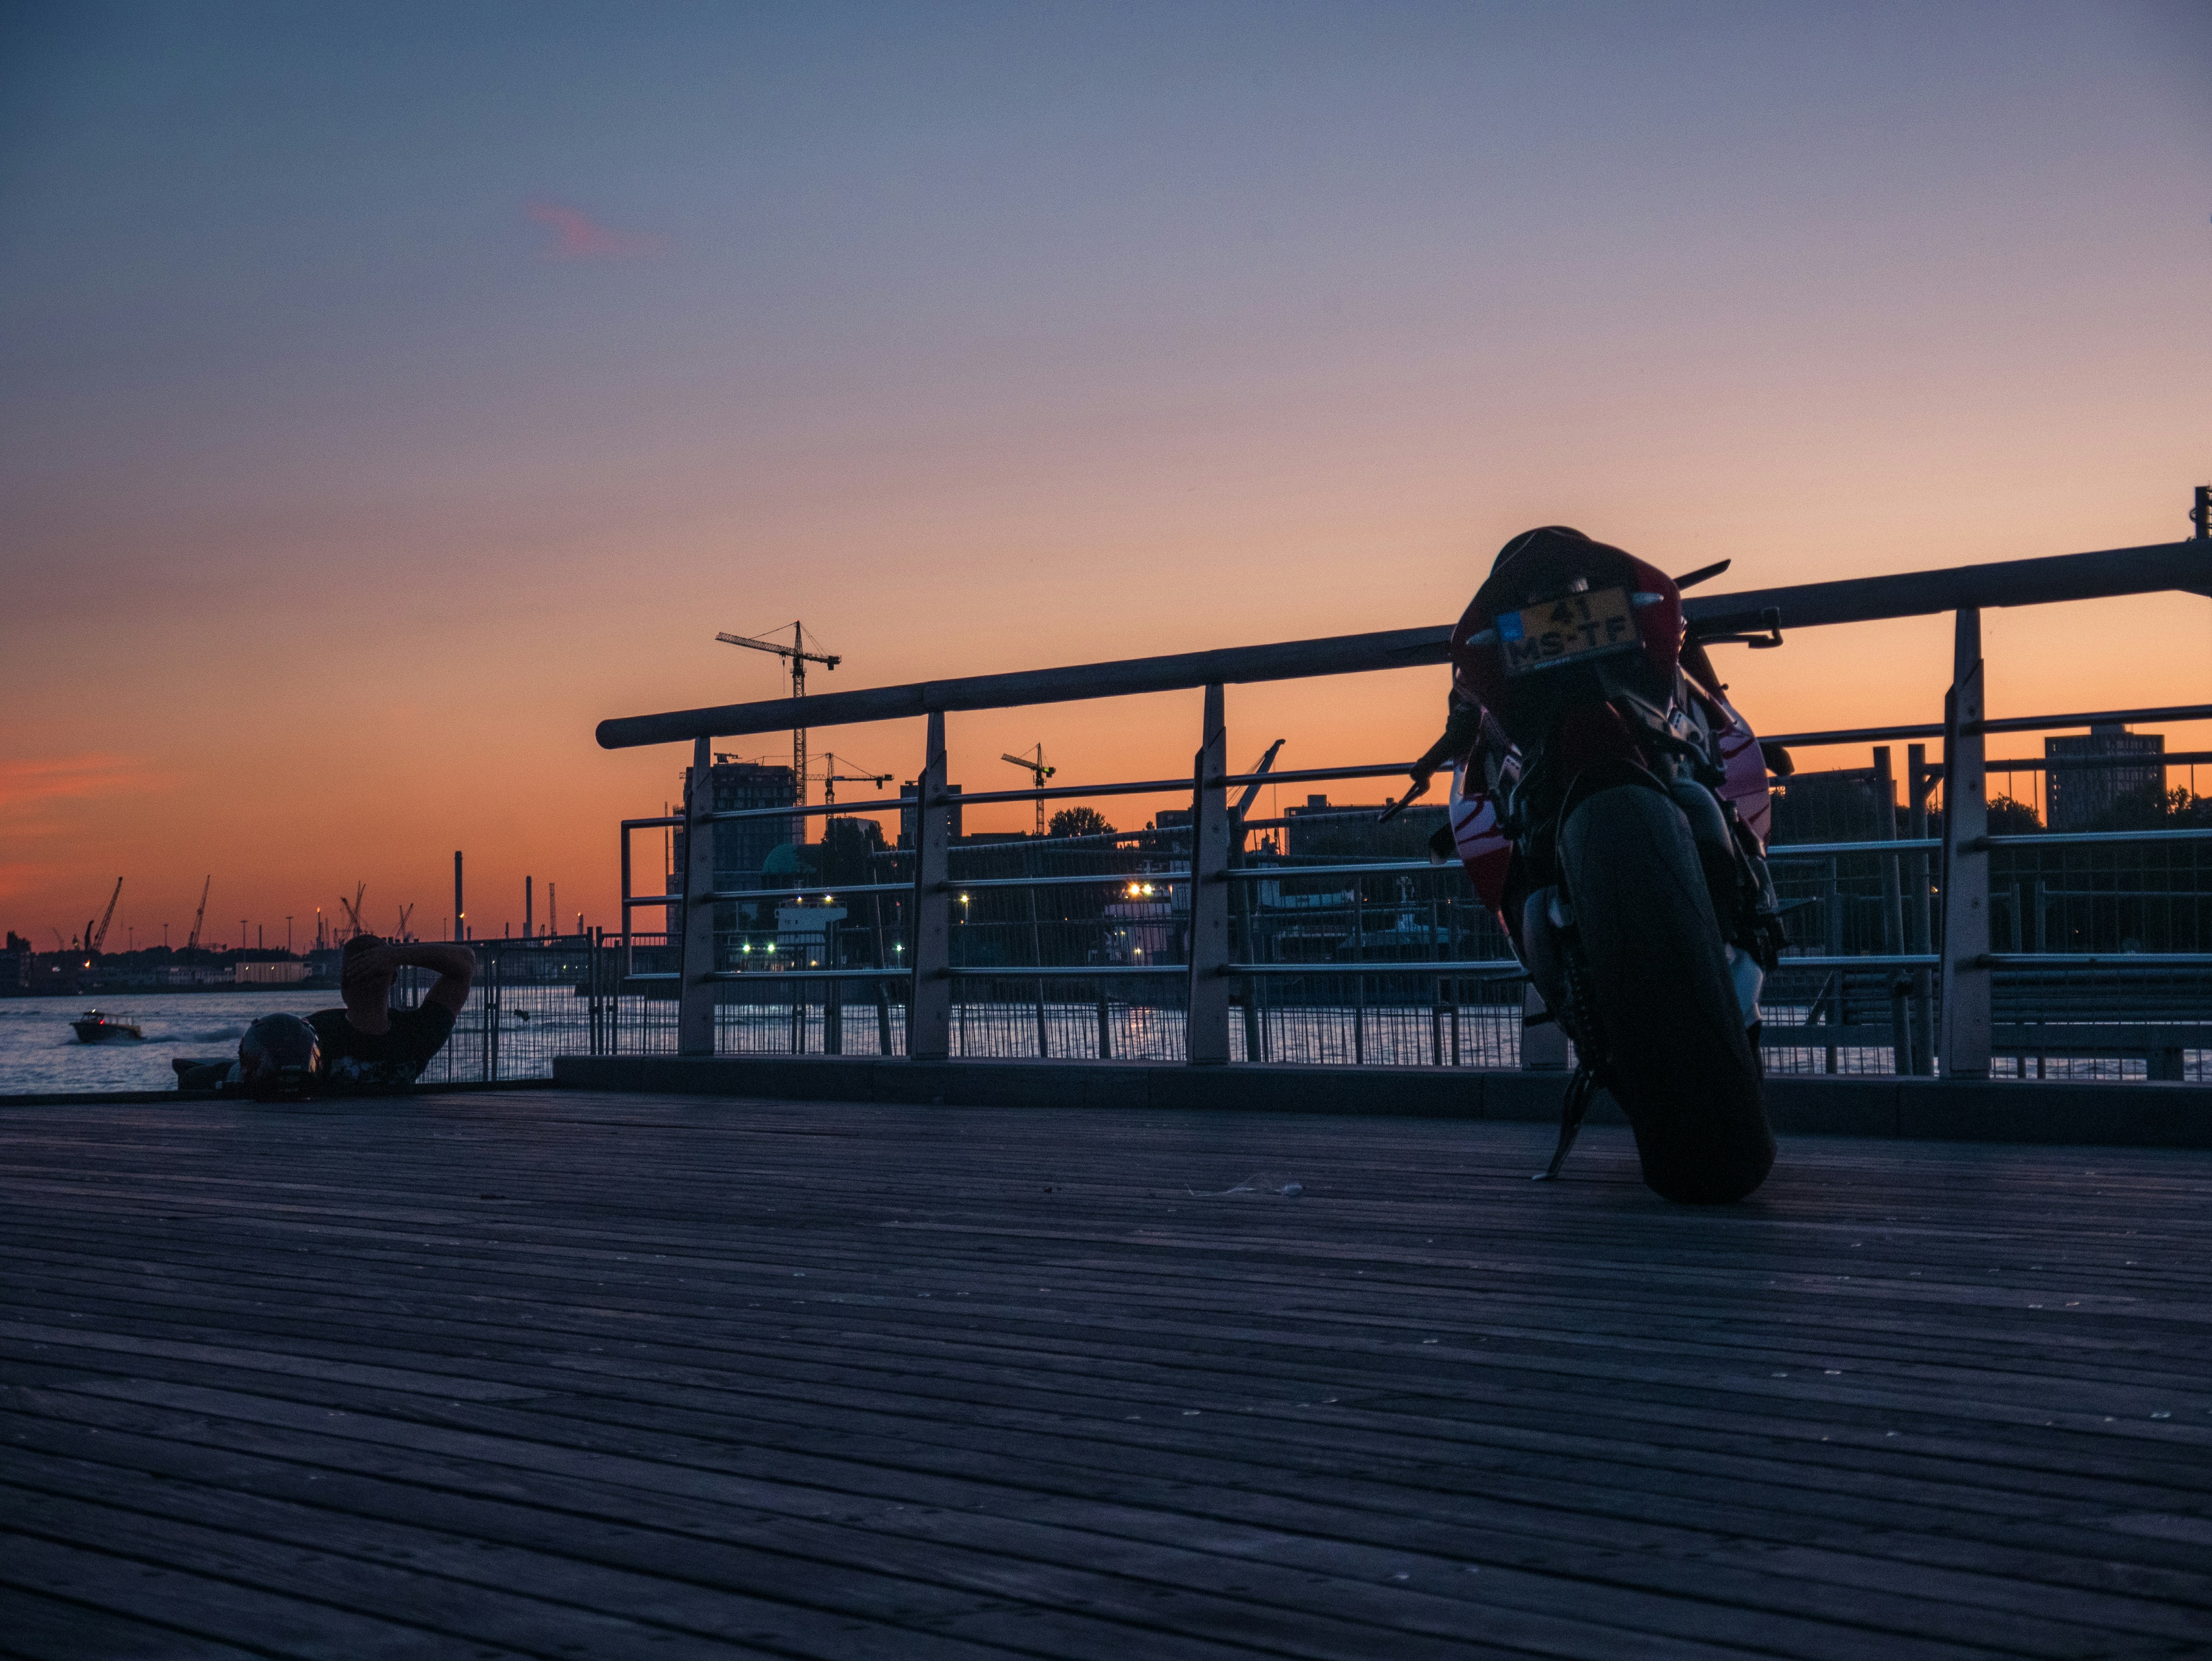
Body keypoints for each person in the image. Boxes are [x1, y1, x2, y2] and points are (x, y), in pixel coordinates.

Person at [309, 934, 475, 1093]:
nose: (368, 971)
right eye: (361, 966)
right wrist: (395, 957)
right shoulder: (416, 1035)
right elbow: (464, 965)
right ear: (394, 976)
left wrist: (395, 956)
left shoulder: (317, 1032)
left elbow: (466, 961)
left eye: (373, 966)